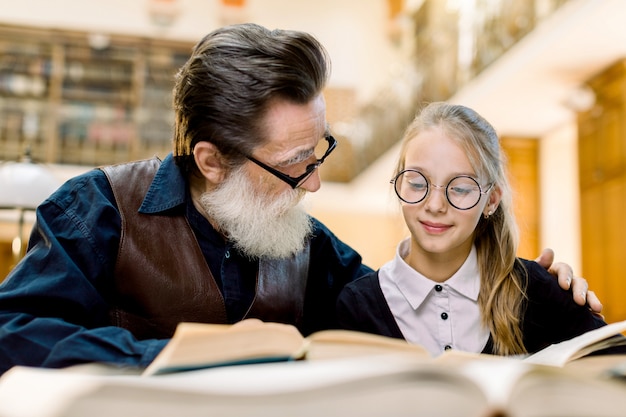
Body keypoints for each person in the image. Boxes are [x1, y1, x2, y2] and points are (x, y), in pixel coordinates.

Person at [0, 25, 597, 375]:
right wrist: (180, 355)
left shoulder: (311, 249)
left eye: (321, 152)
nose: (313, 184)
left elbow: (401, 304)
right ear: (212, 162)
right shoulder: (96, 210)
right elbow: (12, 330)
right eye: (294, 166)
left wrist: (525, 283)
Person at [336, 102, 609, 356]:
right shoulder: (356, 306)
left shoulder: (538, 292)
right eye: (417, 183)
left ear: (491, 200)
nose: (434, 205)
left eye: (460, 188)